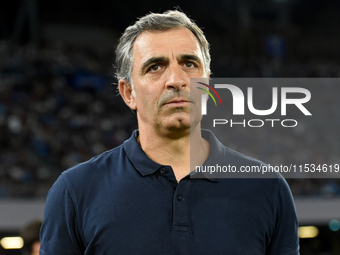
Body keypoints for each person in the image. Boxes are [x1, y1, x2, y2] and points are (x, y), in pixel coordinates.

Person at [40, 10, 299, 254]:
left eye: (189, 63)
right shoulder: (75, 192)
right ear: (129, 93)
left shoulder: (267, 188)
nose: (176, 79)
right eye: (155, 67)